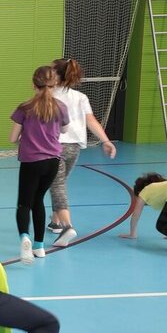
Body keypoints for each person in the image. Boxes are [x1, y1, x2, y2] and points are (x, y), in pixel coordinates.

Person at [46, 58, 116, 246]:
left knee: (57, 185)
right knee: (59, 183)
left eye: (51, 70)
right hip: (74, 148)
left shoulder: (48, 95)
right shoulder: (80, 97)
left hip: (54, 145)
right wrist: (106, 141)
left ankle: (67, 226)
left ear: (56, 74)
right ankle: (56, 222)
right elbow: (91, 121)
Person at [9, 66, 69, 264]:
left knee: (24, 203)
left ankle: (24, 237)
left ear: (33, 84)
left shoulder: (25, 108)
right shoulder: (60, 107)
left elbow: (12, 138)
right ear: (54, 84)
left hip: (31, 162)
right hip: (52, 162)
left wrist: (26, 139)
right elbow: (65, 129)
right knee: (39, 200)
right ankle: (39, 246)